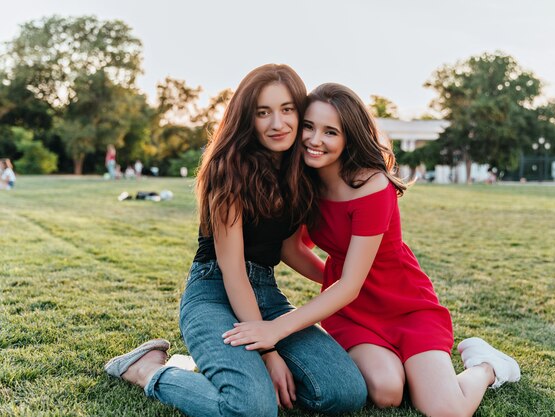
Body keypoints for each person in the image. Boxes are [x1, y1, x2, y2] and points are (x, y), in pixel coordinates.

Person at [222, 83, 520, 416]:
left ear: (349, 137)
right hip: (352, 313)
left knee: (447, 411)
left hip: (406, 305)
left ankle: (486, 365)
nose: (314, 139)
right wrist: (335, 281)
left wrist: (278, 327)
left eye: (330, 132)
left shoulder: (373, 184)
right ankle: (413, 374)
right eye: (309, 126)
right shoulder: (303, 183)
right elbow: (292, 251)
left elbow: (351, 284)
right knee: (386, 391)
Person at [104, 65, 366, 417]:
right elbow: (233, 271)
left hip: (266, 295)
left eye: (287, 109)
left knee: (346, 392)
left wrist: (340, 281)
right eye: (264, 112)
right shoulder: (227, 169)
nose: (278, 123)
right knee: (252, 410)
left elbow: (290, 249)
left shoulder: (298, 171)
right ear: (248, 117)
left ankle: (236, 373)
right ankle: (147, 369)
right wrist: (268, 352)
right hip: (213, 291)